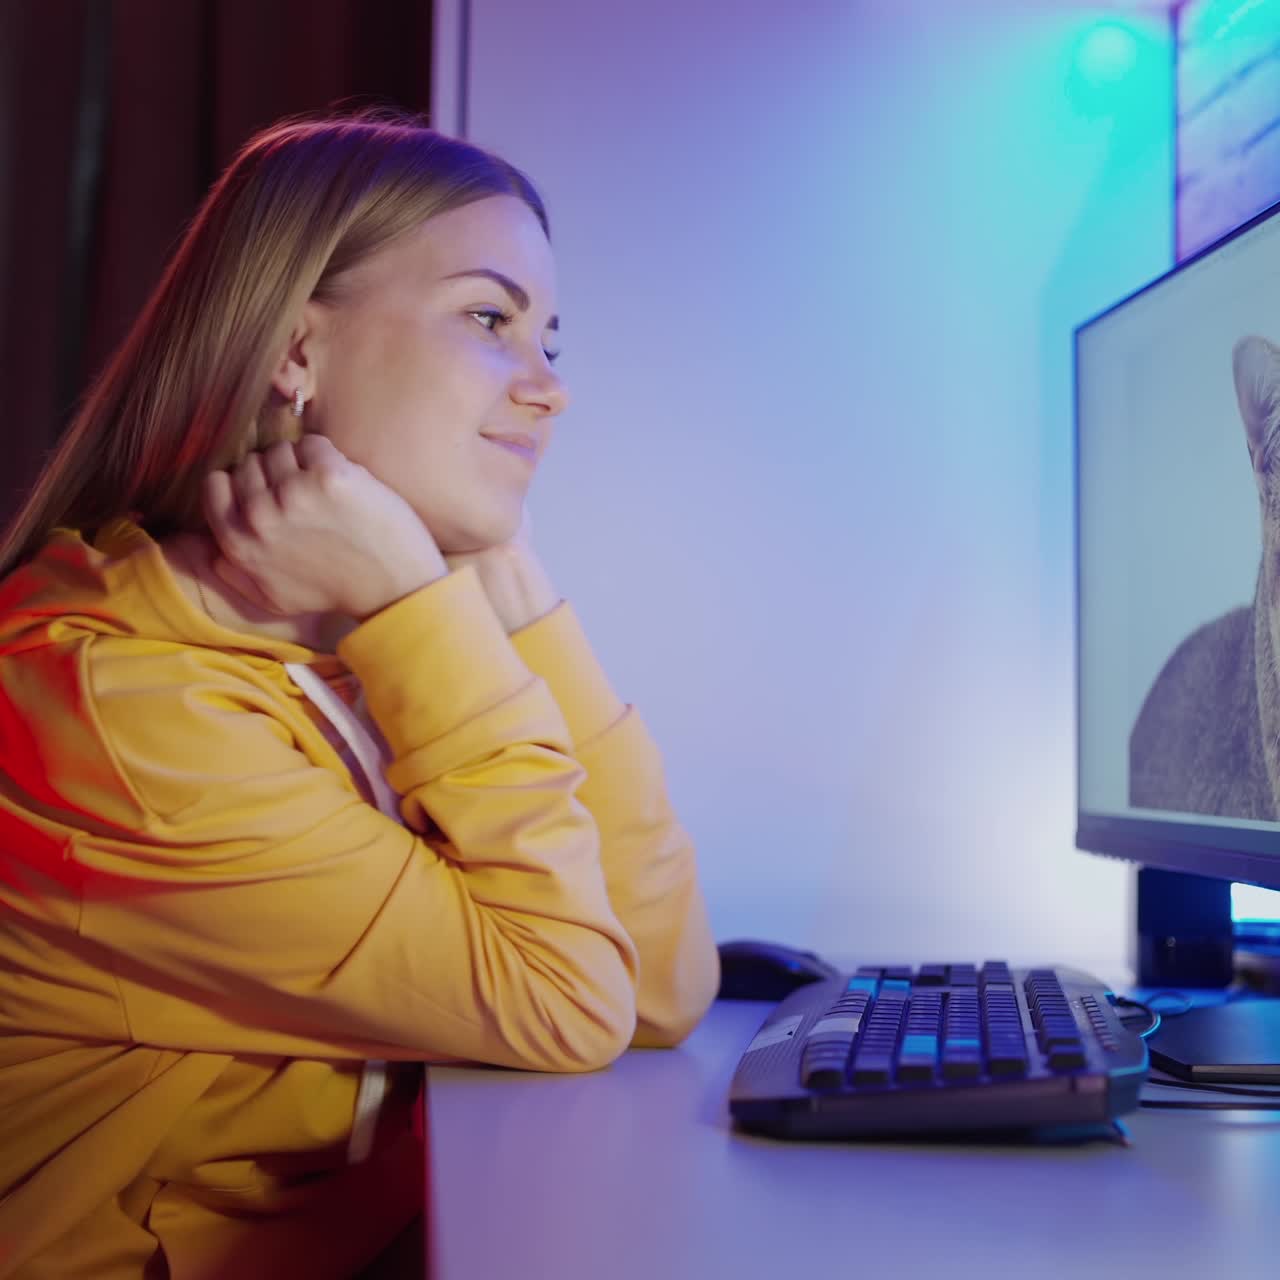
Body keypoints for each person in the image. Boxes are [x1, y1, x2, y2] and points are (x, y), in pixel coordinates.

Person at [0, 110, 719, 1278]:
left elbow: (659, 985)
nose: (550, 389)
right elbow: (569, 1001)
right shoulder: (126, 713)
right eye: (489, 319)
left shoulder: (345, 652)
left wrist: (514, 594)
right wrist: (419, 605)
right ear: (294, 350)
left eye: (550, 339)